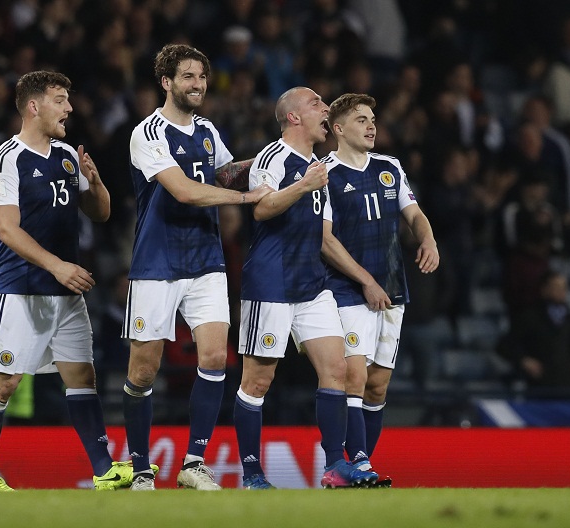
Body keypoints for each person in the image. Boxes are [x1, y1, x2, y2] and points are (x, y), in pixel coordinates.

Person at [0, 70, 141, 492]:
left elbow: (99, 212)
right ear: (34, 106)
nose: (69, 108)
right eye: (60, 99)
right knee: (4, 382)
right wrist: (57, 265)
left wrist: (96, 180)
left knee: (82, 376)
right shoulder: (5, 159)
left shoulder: (67, 155)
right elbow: (7, 230)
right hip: (19, 288)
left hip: (65, 290)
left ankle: (103, 469)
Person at [122, 43, 271, 491]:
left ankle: (193, 463)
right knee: (143, 371)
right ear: (166, 82)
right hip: (157, 262)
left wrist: (272, 161)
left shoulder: (206, 129)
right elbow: (185, 191)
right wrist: (246, 199)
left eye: (202, 77)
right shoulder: (146, 133)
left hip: (206, 261)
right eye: (188, 77)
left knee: (214, 359)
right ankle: (141, 468)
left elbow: (225, 172)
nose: (198, 85)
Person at [233, 86, 372, 490]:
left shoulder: (318, 168)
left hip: (312, 285)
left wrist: (363, 276)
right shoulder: (272, 158)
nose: (326, 109)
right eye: (316, 104)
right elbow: (260, 208)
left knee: (338, 369)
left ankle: (333, 466)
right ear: (294, 117)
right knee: (257, 382)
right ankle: (252, 473)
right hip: (271, 284)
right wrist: (302, 186)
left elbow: (324, 234)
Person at [320, 93, 440, 487]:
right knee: (354, 377)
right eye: (361, 120)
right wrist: (364, 280)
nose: (371, 126)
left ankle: (359, 470)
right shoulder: (324, 173)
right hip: (347, 289)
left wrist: (428, 239)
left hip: (392, 288)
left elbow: (415, 214)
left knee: (377, 385)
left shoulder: (389, 168)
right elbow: (325, 240)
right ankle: (355, 465)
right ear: (338, 129)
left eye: (373, 119)